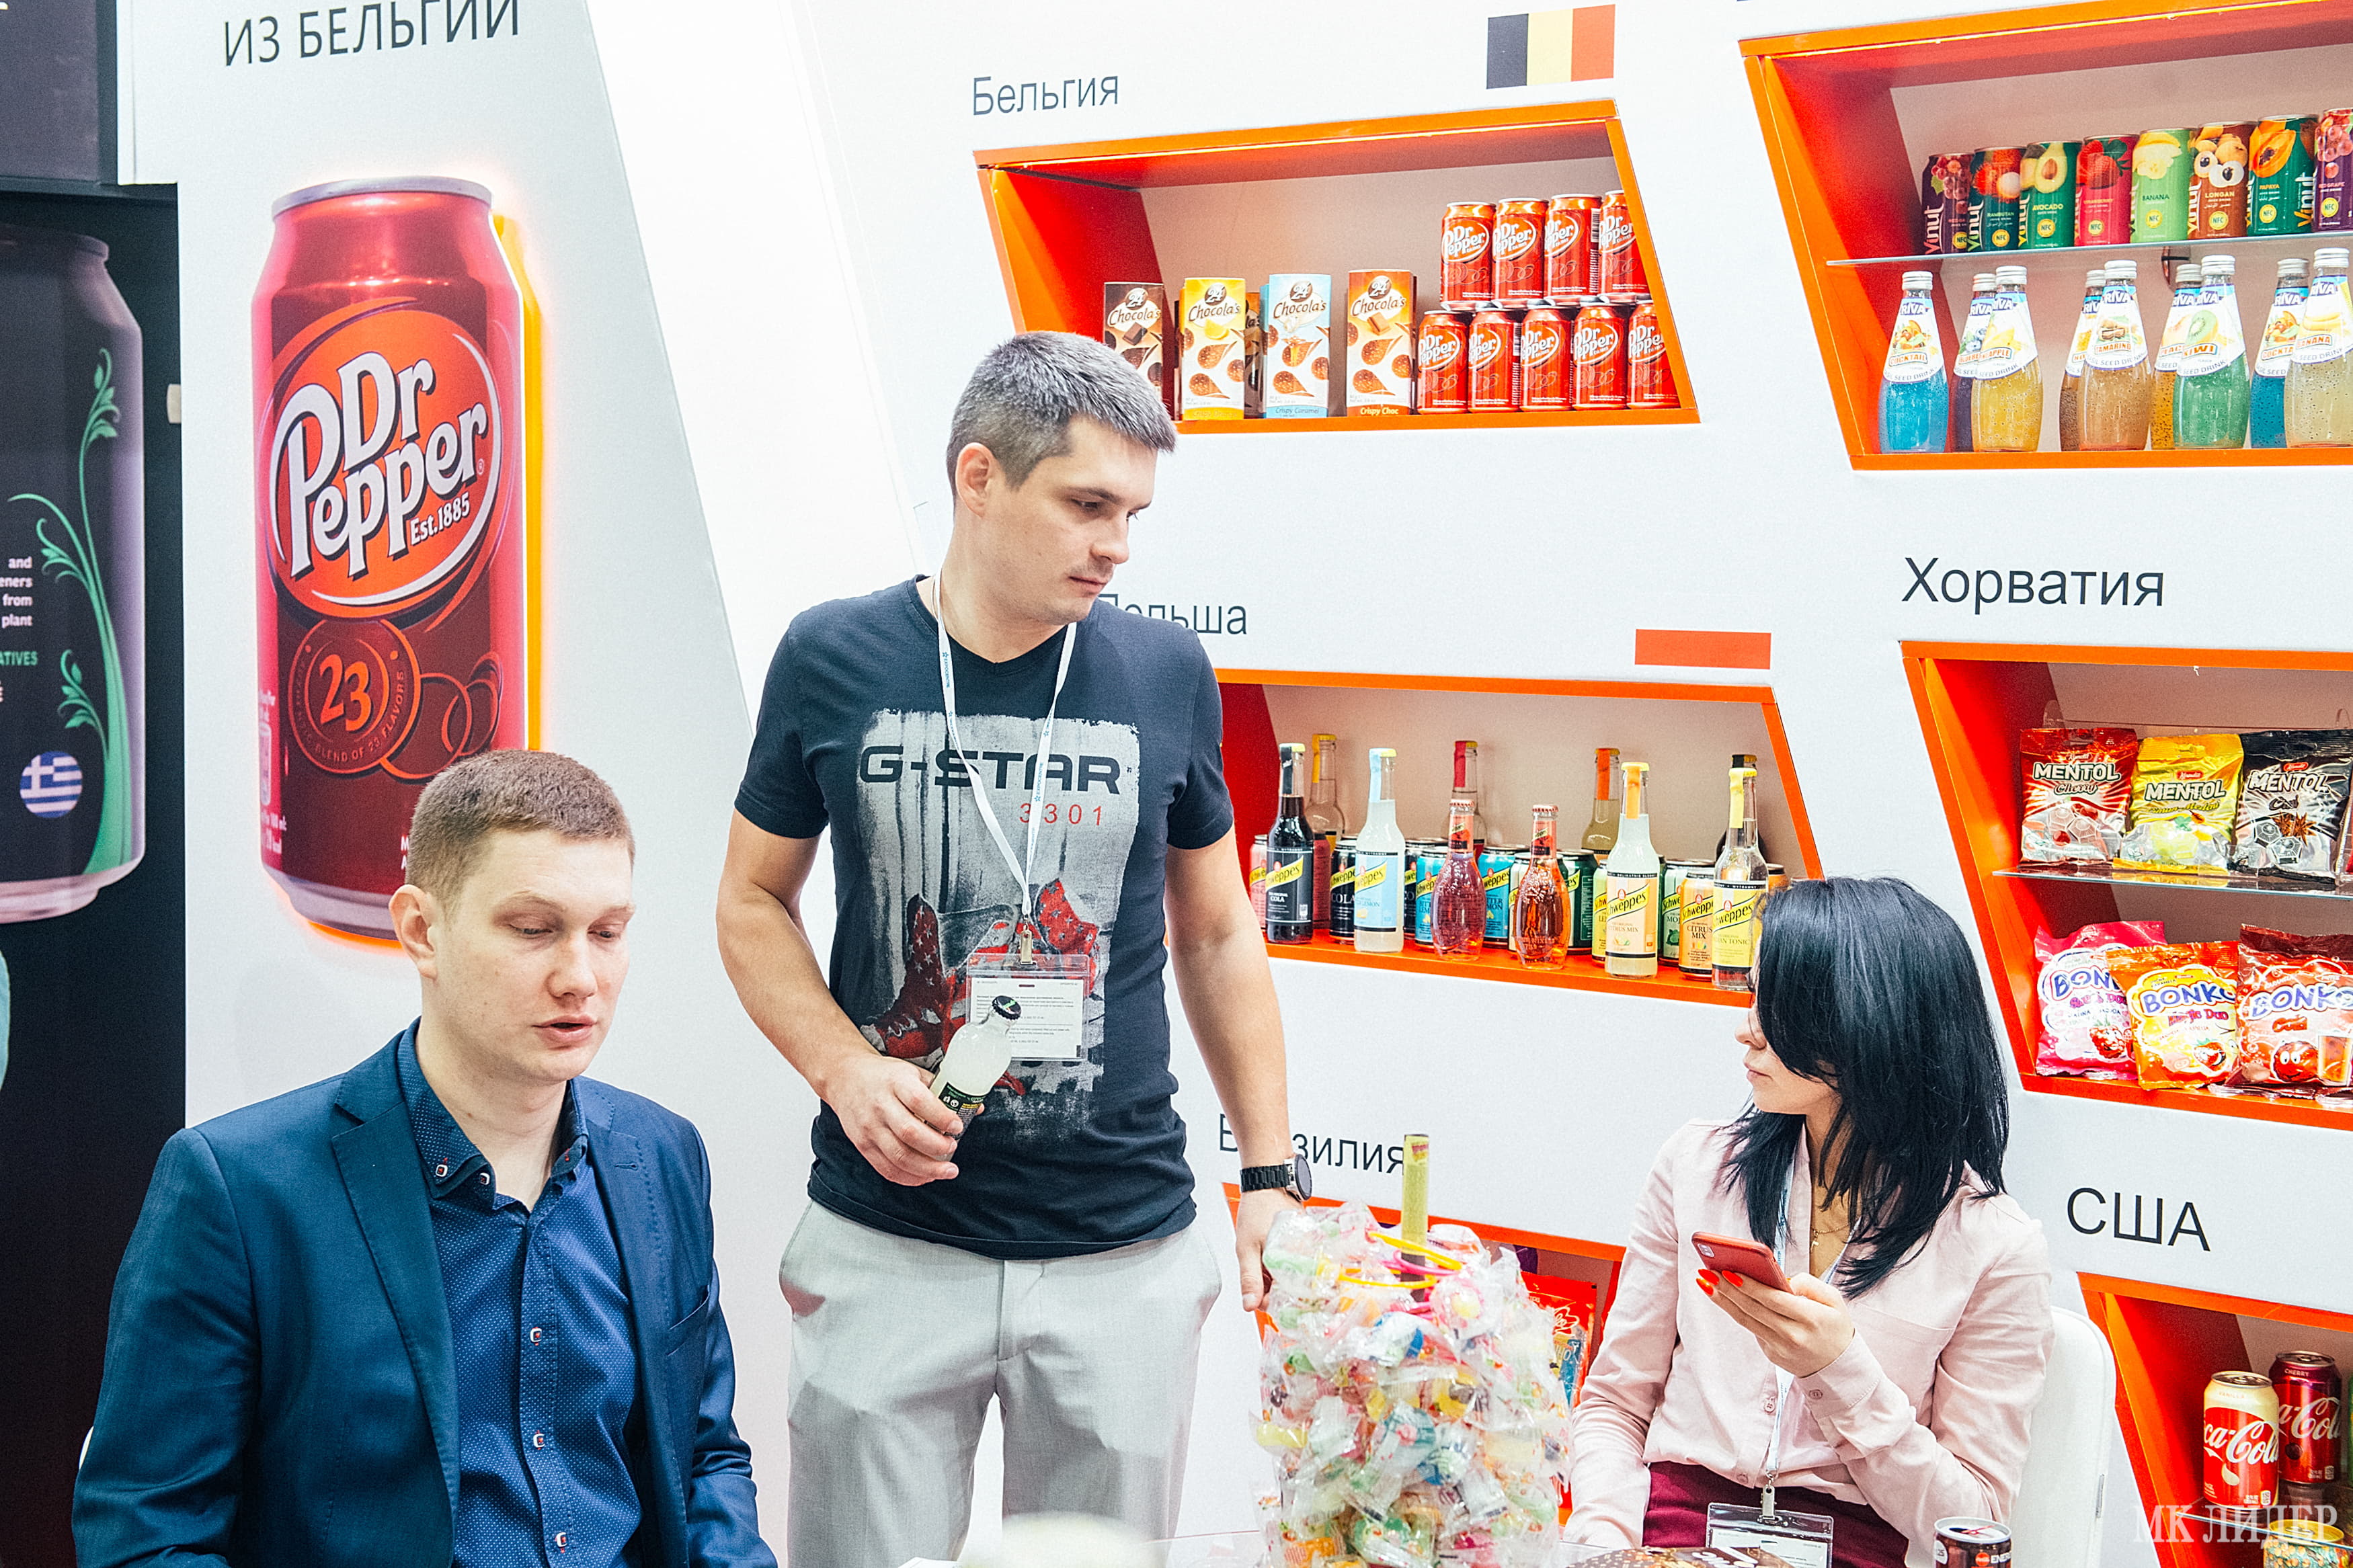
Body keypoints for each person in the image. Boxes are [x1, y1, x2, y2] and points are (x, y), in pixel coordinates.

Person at [717, 331, 1300, 1568]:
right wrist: (843, 1067)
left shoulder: (1164, 668)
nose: (1117, 546)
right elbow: (753, 899)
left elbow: (1216, 930)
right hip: (888, 1240)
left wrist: (1268, 1171)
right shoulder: (832, 655)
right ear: (977, 477)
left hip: (1120, 1250)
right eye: (1087, 505)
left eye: (1133, 514)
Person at [74, 751, 774, 1568]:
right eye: (533, 929)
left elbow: (703, 1455)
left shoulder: (660, 1156)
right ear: (419, 929)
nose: (580, 977)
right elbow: (147, 1531)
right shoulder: (238, 1187)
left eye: (607, 932)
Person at [1567, 876, 2052, 1568]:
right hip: (1666, 1542)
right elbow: (1615, 1405)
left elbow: (1972, 1521)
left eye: (1778, 1006)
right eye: (1753, 995)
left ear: (1869, 1027)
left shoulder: (1994, 1245)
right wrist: (1604, 1547)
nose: (1747, 1026)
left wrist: (1839, 1371)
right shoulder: (1696, 1166)